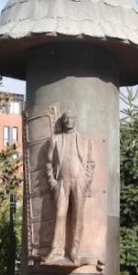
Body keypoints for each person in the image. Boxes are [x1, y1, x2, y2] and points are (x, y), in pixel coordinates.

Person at [44, 110, 94, 266]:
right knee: (59, 215)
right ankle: (56, 251)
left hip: (79, 181)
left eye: (71, 118)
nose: (68, 121)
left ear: (75, 120)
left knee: (77, 216)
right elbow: (48, 163)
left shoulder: (85, 140)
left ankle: (74, 251)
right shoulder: (55, 140)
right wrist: (52, 182)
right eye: (65, 118)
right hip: (61, 182)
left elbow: (91, 163)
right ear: (63, 121)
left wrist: (85, 180)